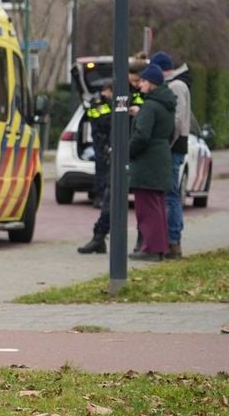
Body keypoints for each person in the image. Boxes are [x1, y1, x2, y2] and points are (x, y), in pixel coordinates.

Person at [77, 65, 140, 254]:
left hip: (135, 152)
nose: (137, 84)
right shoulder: (114, 98)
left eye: (139, 80)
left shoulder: (138, 96)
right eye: (134, 80)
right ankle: (99, 236)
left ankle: (144, 241)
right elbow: (103, 120)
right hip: (111, 148)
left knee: (142, 201)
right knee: (110, 195)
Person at [127, 62, 176, 261]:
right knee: (158, 206)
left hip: (147, 164)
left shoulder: (149, 106)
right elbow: (170, 133)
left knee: (146, 209)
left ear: (152, 83)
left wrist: (127, 152)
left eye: (143, 81)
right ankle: (160, 247)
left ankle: (151, 249)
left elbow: (141, 136)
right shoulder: (167, 105)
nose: (140, 85)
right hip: (161, 159)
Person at [148, 51, 191, 258]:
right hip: (174, 146)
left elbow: (177, 119)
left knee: (171, 194)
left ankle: (173, 241)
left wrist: (166, 143)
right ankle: (171, 240)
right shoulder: (176, 85)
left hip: (173, 147)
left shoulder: (176, 86)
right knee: (169, 194)